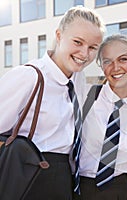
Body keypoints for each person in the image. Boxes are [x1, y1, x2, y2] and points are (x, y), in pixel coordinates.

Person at [0, 6, 105, 200]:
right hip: (28, 175)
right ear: (59, 35)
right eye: (78, 42)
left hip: (64, 177)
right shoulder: (29, 76)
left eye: (92, 48)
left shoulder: (77, 80)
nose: (84, 53)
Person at [78, 34, 127, 200]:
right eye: (107, 61)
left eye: (123, 59)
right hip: (79, 188)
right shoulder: (86, 96)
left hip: (119, 190)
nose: (115, 67)